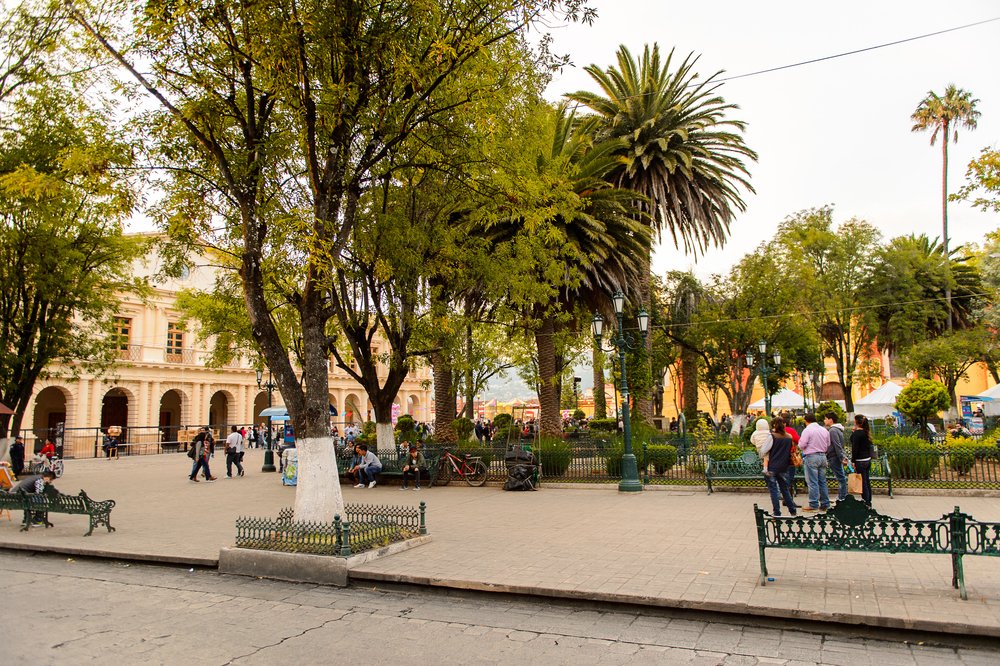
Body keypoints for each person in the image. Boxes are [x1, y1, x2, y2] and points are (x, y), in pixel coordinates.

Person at [798, 413, 831, 511]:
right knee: (822, 481)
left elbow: (802, 444)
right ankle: (825, 503)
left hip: (811, 456)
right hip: (823, 456)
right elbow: (828, 443)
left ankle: (813, 504)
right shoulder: (824, 430)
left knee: (812, 481)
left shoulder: (807, 430)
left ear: (806, 421)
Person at [764, 418, 797, 516]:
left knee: (773, 490)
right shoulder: (789, 437)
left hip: (773, 466)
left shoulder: (772, 436)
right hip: (784, 466)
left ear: (774, 425)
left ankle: (777, 512)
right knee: (784, 489)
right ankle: (792, 510)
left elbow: (764, 450)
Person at [824, 412, 849, 503]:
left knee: (841, 478)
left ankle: (842, 497)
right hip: (836, 456)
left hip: (834, 456)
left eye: (826, 418)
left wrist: (841, 457)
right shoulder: (838, 429)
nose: (824, 420)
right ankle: (842, 496)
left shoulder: (833, 430)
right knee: (841, 477)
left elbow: (836, 444)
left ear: (831, 419)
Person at [850, 414, 874, 507]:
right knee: (866, 481)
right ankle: (869, 501)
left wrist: (853, 461)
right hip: (867, 459)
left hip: (860, 460)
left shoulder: (857, 434)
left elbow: (854, 448)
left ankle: (866, 502)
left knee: (862, 482)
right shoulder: (866, 432)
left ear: (856, 422)